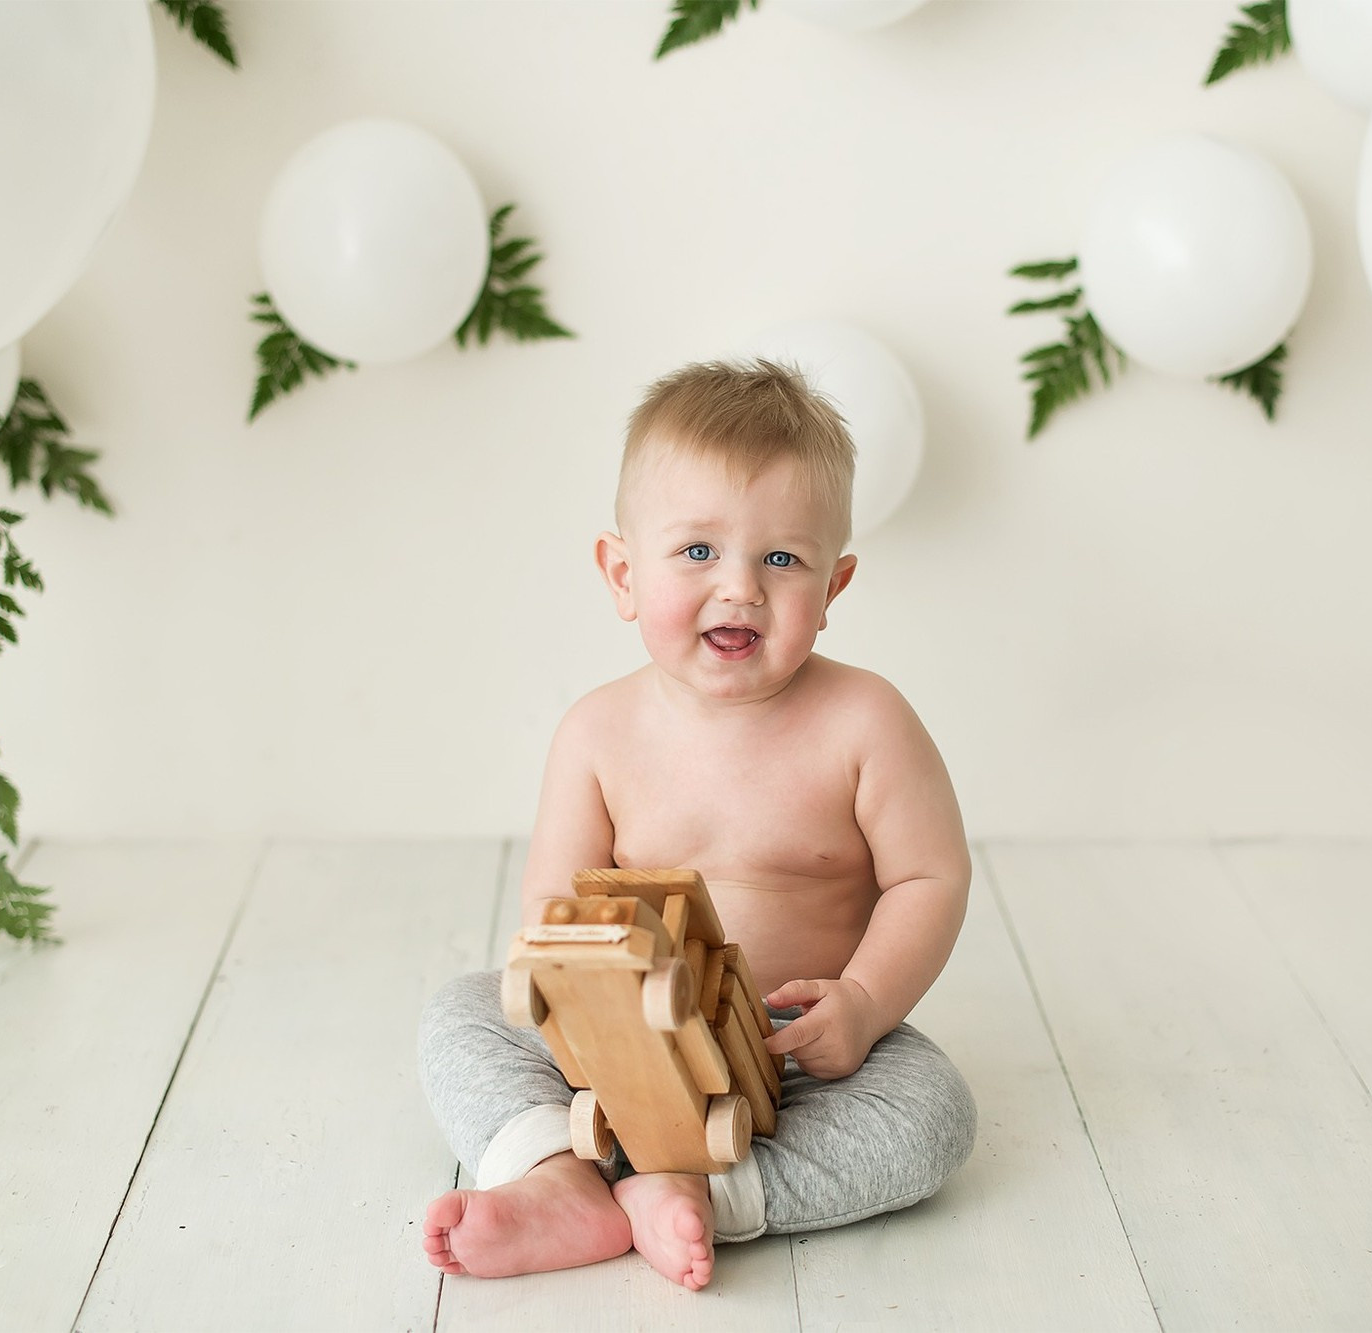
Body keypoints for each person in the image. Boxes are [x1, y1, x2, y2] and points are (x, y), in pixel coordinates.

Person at [418, 358, 975, 1292]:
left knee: (934, 1111)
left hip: (796, 1052)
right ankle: (556, 1177)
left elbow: (931, 879)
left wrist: (865, 1004)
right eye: (698, 551)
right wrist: (593, 1023)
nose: (741, 588)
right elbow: (553, 910)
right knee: (463, 1013)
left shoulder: (867, 723)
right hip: (619, 1047)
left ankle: (695, 1191)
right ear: (623, 574)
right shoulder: (597, 733)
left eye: (782, 559)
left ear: (834, 586)